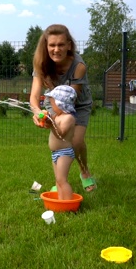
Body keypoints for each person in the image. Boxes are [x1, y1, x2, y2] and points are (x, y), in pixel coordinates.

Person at [29, 24, 96, 192]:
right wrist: (38, 113)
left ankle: (84, 172)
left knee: (76, 141)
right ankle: (60, 182)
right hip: (52, 104)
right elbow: (34, 97)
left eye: (60, 44)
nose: (56, 49)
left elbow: (70, 99)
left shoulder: (78, 65)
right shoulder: (41, 64)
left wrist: (56, 121)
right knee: (58, 141)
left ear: (69, 45)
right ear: (46, 46)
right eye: (52, 45)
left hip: (78, 105)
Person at [43, 85, 77, 200]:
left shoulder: (68, 118)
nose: (51, 106)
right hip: (55, 153)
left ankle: (68, 204)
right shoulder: (57, 116)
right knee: (58, 180)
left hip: (64, 153)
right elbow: (51, 127)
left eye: (52, 103)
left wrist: (52, 123)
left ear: (61, 103)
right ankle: (61, 201)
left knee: (62, 180)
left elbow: (61, 133)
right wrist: (46, 121)